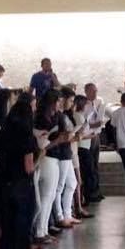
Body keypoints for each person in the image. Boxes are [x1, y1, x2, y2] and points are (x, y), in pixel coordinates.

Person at [0, 95, 38, 249]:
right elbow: (29, 168)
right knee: (20, 234)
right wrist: (41, 156)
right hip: (22, 188)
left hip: (3, 186)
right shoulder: (27, 137)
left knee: (6, 232)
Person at [33, 90, 73, 244]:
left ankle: (44, 230)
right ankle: (39, 231)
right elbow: (42, 144)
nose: (60, 104)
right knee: (46, 196)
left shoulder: (55, 116)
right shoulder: (41, 119)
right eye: (58, 101)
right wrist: (57, 140)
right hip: (46, 157)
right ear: (51, 102)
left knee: (49, 196)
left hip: (54, 157)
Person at [52, 89, 81, 226]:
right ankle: (59, 216)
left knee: (72, 183)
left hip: (67, 152)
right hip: (61, 153)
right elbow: (59, 136)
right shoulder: (58, 116)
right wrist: (71, 136)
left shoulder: (65, 115)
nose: (72, 104)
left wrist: (75, 135)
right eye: (70, 100)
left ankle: (67, 214)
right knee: (60, 186)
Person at [80, 83, 106, 204]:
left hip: (96, 136)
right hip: (87, 137)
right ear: (86, 92)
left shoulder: (99, 101)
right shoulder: (83, 104)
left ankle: (97, 191)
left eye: (96, 91)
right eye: (92, 91)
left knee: (95, 164)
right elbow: (84, 123)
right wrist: (95, 124)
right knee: (88, 166)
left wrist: (100, 123)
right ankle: (89, 193)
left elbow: (100, 118)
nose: (95, 93)